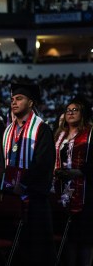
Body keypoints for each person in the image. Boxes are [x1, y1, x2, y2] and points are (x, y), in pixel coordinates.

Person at [0, 83, 55, 266]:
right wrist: (0, 185)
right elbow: (0, 161)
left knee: (35, 251)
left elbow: (43, 162)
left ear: (31, 103)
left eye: (19, 99)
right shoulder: (7, 130)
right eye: (12, 99)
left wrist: (23, 184)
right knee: (14, 249)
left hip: (34, 198)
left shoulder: (42, 129)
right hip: (10, 196)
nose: (13, 102)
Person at [53, 95, 93, 266]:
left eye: (75, 110)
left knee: (84, 238)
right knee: (67, 237)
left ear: (82, 113)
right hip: (63, 191)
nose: (70, 113)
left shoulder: (90, 133)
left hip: (87, 192)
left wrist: (78, 172)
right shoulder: (60, 135)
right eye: (68, 110)